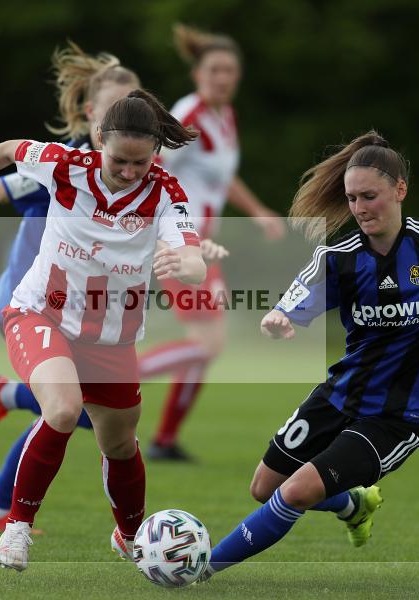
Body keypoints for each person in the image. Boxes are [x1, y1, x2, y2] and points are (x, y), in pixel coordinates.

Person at [200, 131, 419, 579]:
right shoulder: (338, 258)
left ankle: (199, 569)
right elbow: (287, 307)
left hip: (397, 416)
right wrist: (278, 321)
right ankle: (354, 504)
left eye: (369, 196)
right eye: (352, 198)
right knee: (264, 486)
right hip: (339, 396)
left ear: (400, 190)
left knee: (295, 492)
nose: (359, 208)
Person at [0, 89, 207, 571]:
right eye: (120, 160)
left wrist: (186, 264)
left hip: (112, 339)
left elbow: (192, 255)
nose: (129, 172)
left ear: (155, 155)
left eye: (140, 163)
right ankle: (15, 531)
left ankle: (130, 537)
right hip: (39, 314)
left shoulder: (165, 192)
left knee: (120, 443)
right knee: (62, 409)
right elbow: (5, 151)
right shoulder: (65, 165)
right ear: (99, 139)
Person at [0, 43, 139, 534]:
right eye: (118, 107)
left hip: (77, 311)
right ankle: (5, 407)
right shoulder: (71, 164)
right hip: (30, 301)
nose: (130, 115)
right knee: (79, 410)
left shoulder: (130, 173)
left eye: (136, 104)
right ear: (90, 113)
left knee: (82, 413)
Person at [138, 24, 286, 461]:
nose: (224, 77)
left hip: (201, 246)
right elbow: (149, 168)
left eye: (231, 70)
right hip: (182, 245)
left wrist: (257, 211)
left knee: (206, 348)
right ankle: (116, 376)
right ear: (198, 73)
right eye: (216, 69)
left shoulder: (224, 116)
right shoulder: (190, 114)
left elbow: (221, 176)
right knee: (208, 343)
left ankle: (165, 440)